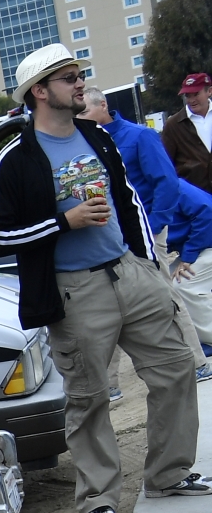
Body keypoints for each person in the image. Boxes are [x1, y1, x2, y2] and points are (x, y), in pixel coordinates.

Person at [0, 44, 209, 513]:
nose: (80, 83)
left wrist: (147, 264)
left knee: (176, 369)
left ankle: (168, 475)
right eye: (68, 77)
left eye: (79, 73)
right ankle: (98, 500)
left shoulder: (97, 136)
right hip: (74, 291)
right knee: (89, 398)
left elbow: (128, 202)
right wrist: (62, 222)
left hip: (129, 272)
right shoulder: (15, 158)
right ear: (39, 91)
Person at [84, 86, 212, 370]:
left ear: (102, 106)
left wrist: (153, 227)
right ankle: (110, 383)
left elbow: (166, 182)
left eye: (85, 110)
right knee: (113, 304)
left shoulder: (139, 136)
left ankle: (197, 363)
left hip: (147, 231)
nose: (80, 116)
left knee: (167, 294)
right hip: (112, 235)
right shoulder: (86, 143)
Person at [162, 72, 212, 193]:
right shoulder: (173, 125)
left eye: (196, 94)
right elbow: (165, 165)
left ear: (209, 91)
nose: (192, 100)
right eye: (188, 96)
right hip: (195, 198)